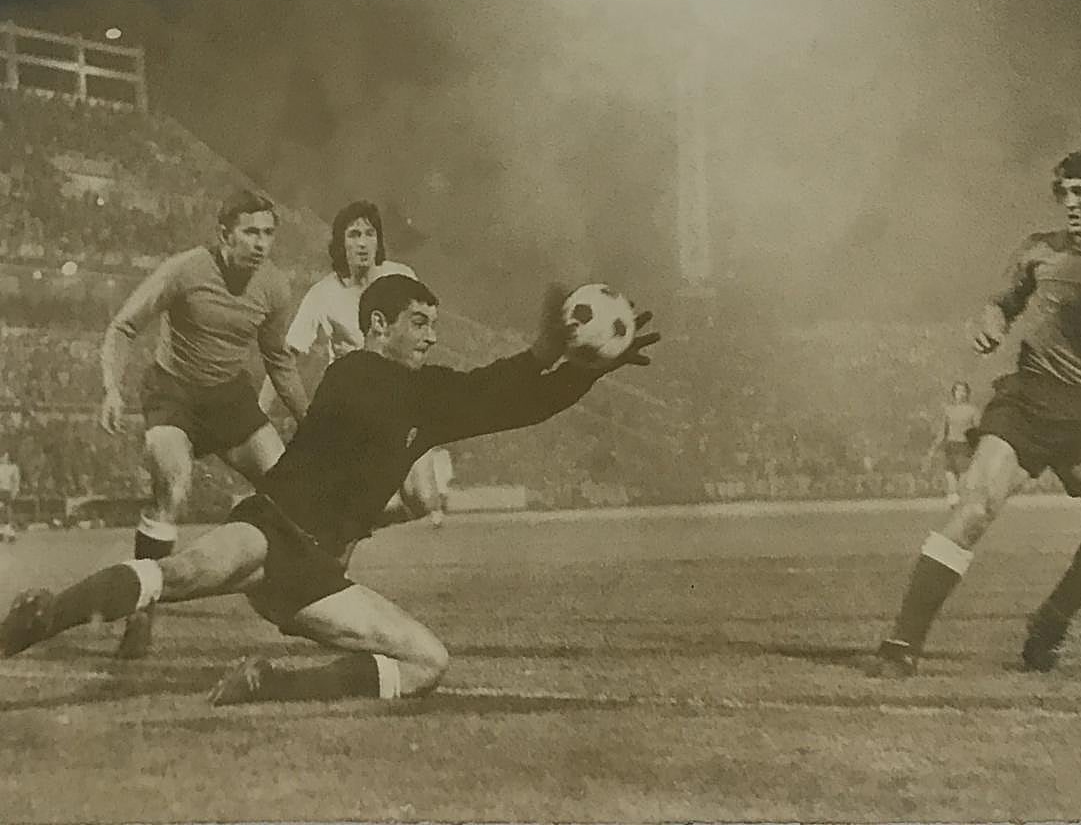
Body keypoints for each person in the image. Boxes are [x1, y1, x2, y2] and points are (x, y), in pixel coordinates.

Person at [1, 275, 659, 707]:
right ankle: (40, 619)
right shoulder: (356, 373)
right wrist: (542, 355)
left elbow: (513, 405)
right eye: (419, 322)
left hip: (315, 573)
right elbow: (486, 393)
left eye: (433, 323)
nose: (431, 335)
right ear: (378, 326)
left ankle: (268, 685)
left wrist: (580, 372)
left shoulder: (420, 395)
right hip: (270, 532)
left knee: (427, 662)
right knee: (176, 574)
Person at [870, 151, 1081, 678]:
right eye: (1063, 192)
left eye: (1080, 192)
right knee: (977, 504)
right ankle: (901, 643)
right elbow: (998, 303)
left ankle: (1050, 622)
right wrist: (990, 321)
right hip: (1030, 399)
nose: (1069, 202)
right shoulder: (1039, 251)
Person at [99, 189, 308, 659]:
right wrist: (112, 389)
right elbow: (124, 326)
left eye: (268, 233)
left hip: (229, 398)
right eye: (250, 232)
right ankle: (141, 612)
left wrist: (310, 421)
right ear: (224, 234)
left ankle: (291, 596)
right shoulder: (185, 270)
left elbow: (278, 360)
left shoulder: (274, 287)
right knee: (173, 489)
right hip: (174, 393)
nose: (261, 243)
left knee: (290, 493)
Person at [258, 200, 443, 520]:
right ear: (340, 244)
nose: (362, 243)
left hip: (400, 398)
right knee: (381, 506)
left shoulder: (401, 276)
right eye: (354, 235)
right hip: (354, 407)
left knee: (425, 500)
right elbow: (286, 355)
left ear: (378, 240)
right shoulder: (322, 294)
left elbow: (422, 331)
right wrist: (259, 410)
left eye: (369, 234)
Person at [927, 382, 980, 508]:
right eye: (958, 391)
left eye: (963, 391)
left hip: (965, 446)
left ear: (967, 393)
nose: (960, 394)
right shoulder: (948, 410)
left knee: (963, 477)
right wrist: (933, 448)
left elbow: (978, 430)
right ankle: (954, 500)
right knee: (950, 475)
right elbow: (942, 432)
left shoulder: (972, 410)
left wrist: (978, 447)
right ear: (953, 393)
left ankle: (961, 501)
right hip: (950, 446)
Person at [0, 451, 20, 542]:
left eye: (6, 456)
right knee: (1, 510)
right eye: (3, 457)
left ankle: (10, 532)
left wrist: (15, 492)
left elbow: (16, 481)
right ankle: (2, 532)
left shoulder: (13, 468)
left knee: (8, 511)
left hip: (7, 492)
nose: (4, 458)